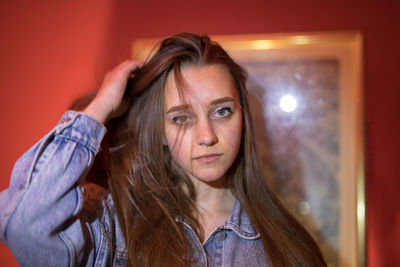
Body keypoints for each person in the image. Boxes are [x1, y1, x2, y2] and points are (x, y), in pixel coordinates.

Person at [0, 33, 327, 266]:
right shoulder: (116, 228)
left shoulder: (289, 246)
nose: (207, 136)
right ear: (159, 132)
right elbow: (24, 226)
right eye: (182, 118)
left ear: (243, 117)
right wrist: (99, 108)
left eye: (222, 111)